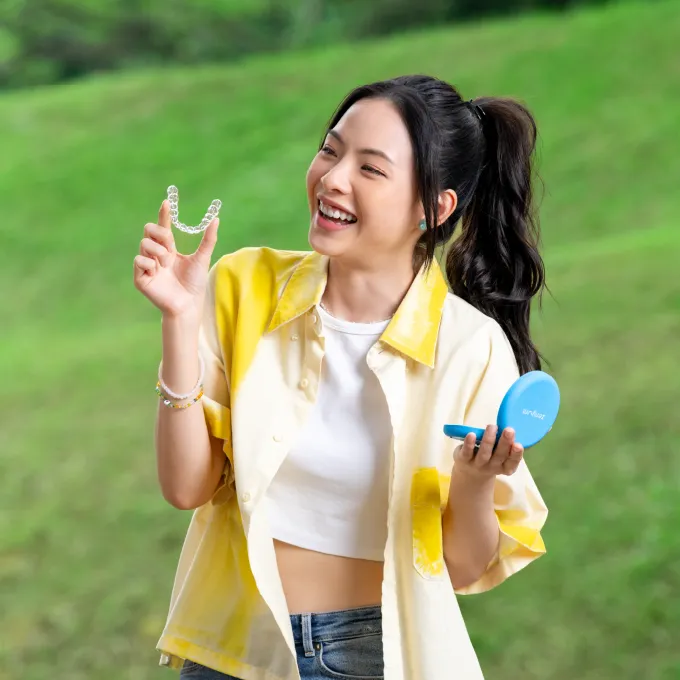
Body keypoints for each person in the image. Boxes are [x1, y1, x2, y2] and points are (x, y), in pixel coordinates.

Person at [133, 74, 549, 680]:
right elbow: (185, 488)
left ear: (434, 209)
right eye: (331, 149)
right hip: (234, 647)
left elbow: (462, 569)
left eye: (371, 169)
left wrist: (475, 482)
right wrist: (179, 318)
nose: (332, 177)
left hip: (375, 652)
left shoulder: (470, 346)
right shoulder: (241, 287)